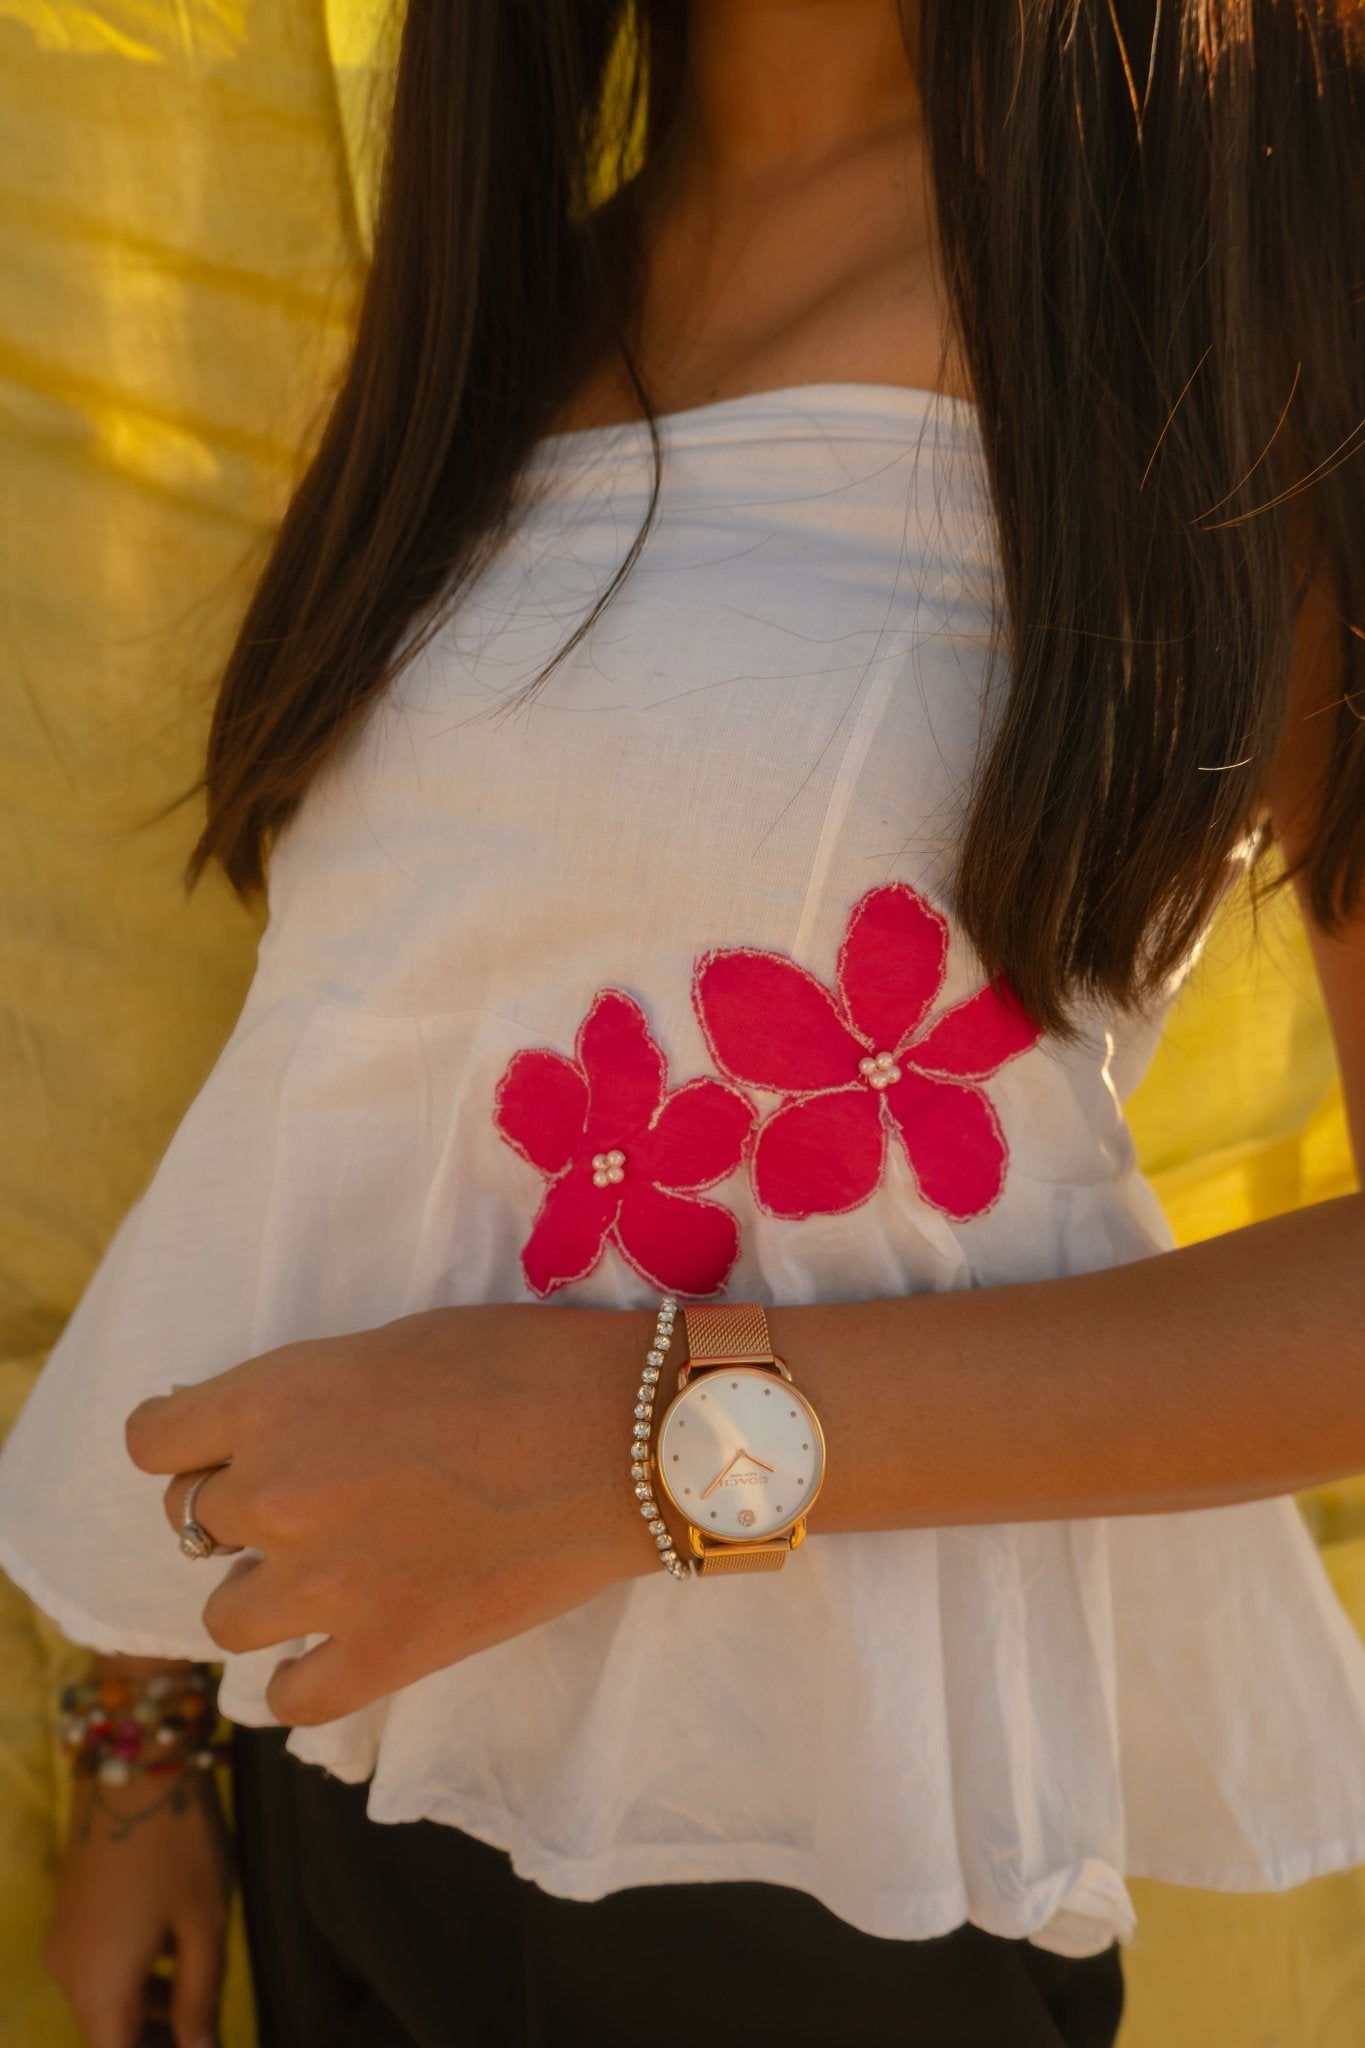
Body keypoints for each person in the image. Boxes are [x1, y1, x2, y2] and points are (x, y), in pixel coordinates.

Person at [3, 1, 1364, 2043]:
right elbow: (339, 1078)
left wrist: (634, 1448)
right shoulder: (503, 300)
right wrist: (142, 1734)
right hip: (342, 1776)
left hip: (817, 1866)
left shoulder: (1254, 233)